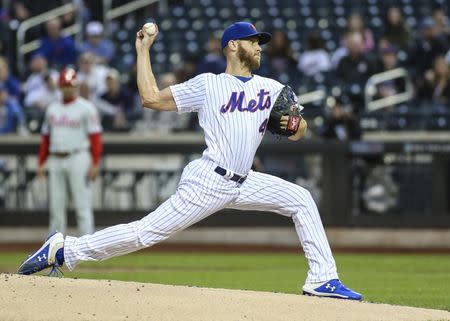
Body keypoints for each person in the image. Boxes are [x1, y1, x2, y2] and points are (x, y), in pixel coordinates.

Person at [18, 22, 362, 301]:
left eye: (260, 42)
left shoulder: (272, 88)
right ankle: (66, 250)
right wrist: (143, 52)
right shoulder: (209, 85)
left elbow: (300, 130)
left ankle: (322, 279)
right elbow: (150, 98)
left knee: (301, 199)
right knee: (145, 233)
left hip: (245, 180)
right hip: (209, 181)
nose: (259, 46)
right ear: (232, 46)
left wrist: (295, 125)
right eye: (252, 41)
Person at [34, 68, 103, 236]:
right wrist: (41, 162)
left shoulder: (86, 108)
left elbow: (95, 137)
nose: (67, 89)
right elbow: (45, 138)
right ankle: (53, 247)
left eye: (70, 85)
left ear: (76, 86)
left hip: (78, 156)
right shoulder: (52, 109)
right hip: (56, 157)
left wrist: (95, 162)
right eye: (64, 85)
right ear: (59, 87)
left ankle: (88, 245)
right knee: (56, 206)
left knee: (82, 204)